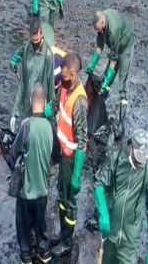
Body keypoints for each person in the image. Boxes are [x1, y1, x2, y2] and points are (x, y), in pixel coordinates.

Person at [94, 129, 148, 264]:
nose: (140, 163)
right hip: (110, 233)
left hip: (129, 241)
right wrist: (103, 213)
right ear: (130, 148)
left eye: (143, 159)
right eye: (138, 159)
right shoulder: (116, 159)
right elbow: (99, 184)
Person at [10, 83, 55, 264]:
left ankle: (26, 255)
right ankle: (44, 252)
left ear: (30, 101)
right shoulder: (50, 127)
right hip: (42, 189)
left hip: (26, 191)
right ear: (44, 103)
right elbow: (56, 155)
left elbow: (15, 152)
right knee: (40, 222)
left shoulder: (26, 125)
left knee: (23, 226)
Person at [51, 54, 88, 259]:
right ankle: (61, 233)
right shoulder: (65, 87)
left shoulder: (80, 101)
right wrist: (45, 110)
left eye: (65, 77)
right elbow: (56, 104)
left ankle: (67, 241)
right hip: (62, 151)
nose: (62, 80)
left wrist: (76, 175)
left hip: (71, 158)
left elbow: (82, 141)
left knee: (69, 201)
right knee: (61, 196)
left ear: (73, 75)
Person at [86, 9, 134, 140]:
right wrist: (92, 64)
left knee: (122, 83)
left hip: (125, 48)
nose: (99, 32)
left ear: (103, 22)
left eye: (100, 29)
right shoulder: (101, 28)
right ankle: (100, 104)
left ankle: (121, 125)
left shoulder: (113, 30)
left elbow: (114, 60)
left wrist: (107, 79)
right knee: (105, 81)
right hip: (115, 48)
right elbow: (99, 47)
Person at [9, 18, 56, 132]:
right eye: (32, 40)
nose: (35, 43)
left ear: (42, 34)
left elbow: (51, 88)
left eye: (37, 40)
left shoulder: (48, 56)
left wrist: (50, 111)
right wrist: (15, 112)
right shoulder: (26, 49)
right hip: (27, 106)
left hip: (40, 108)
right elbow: (22, 84)